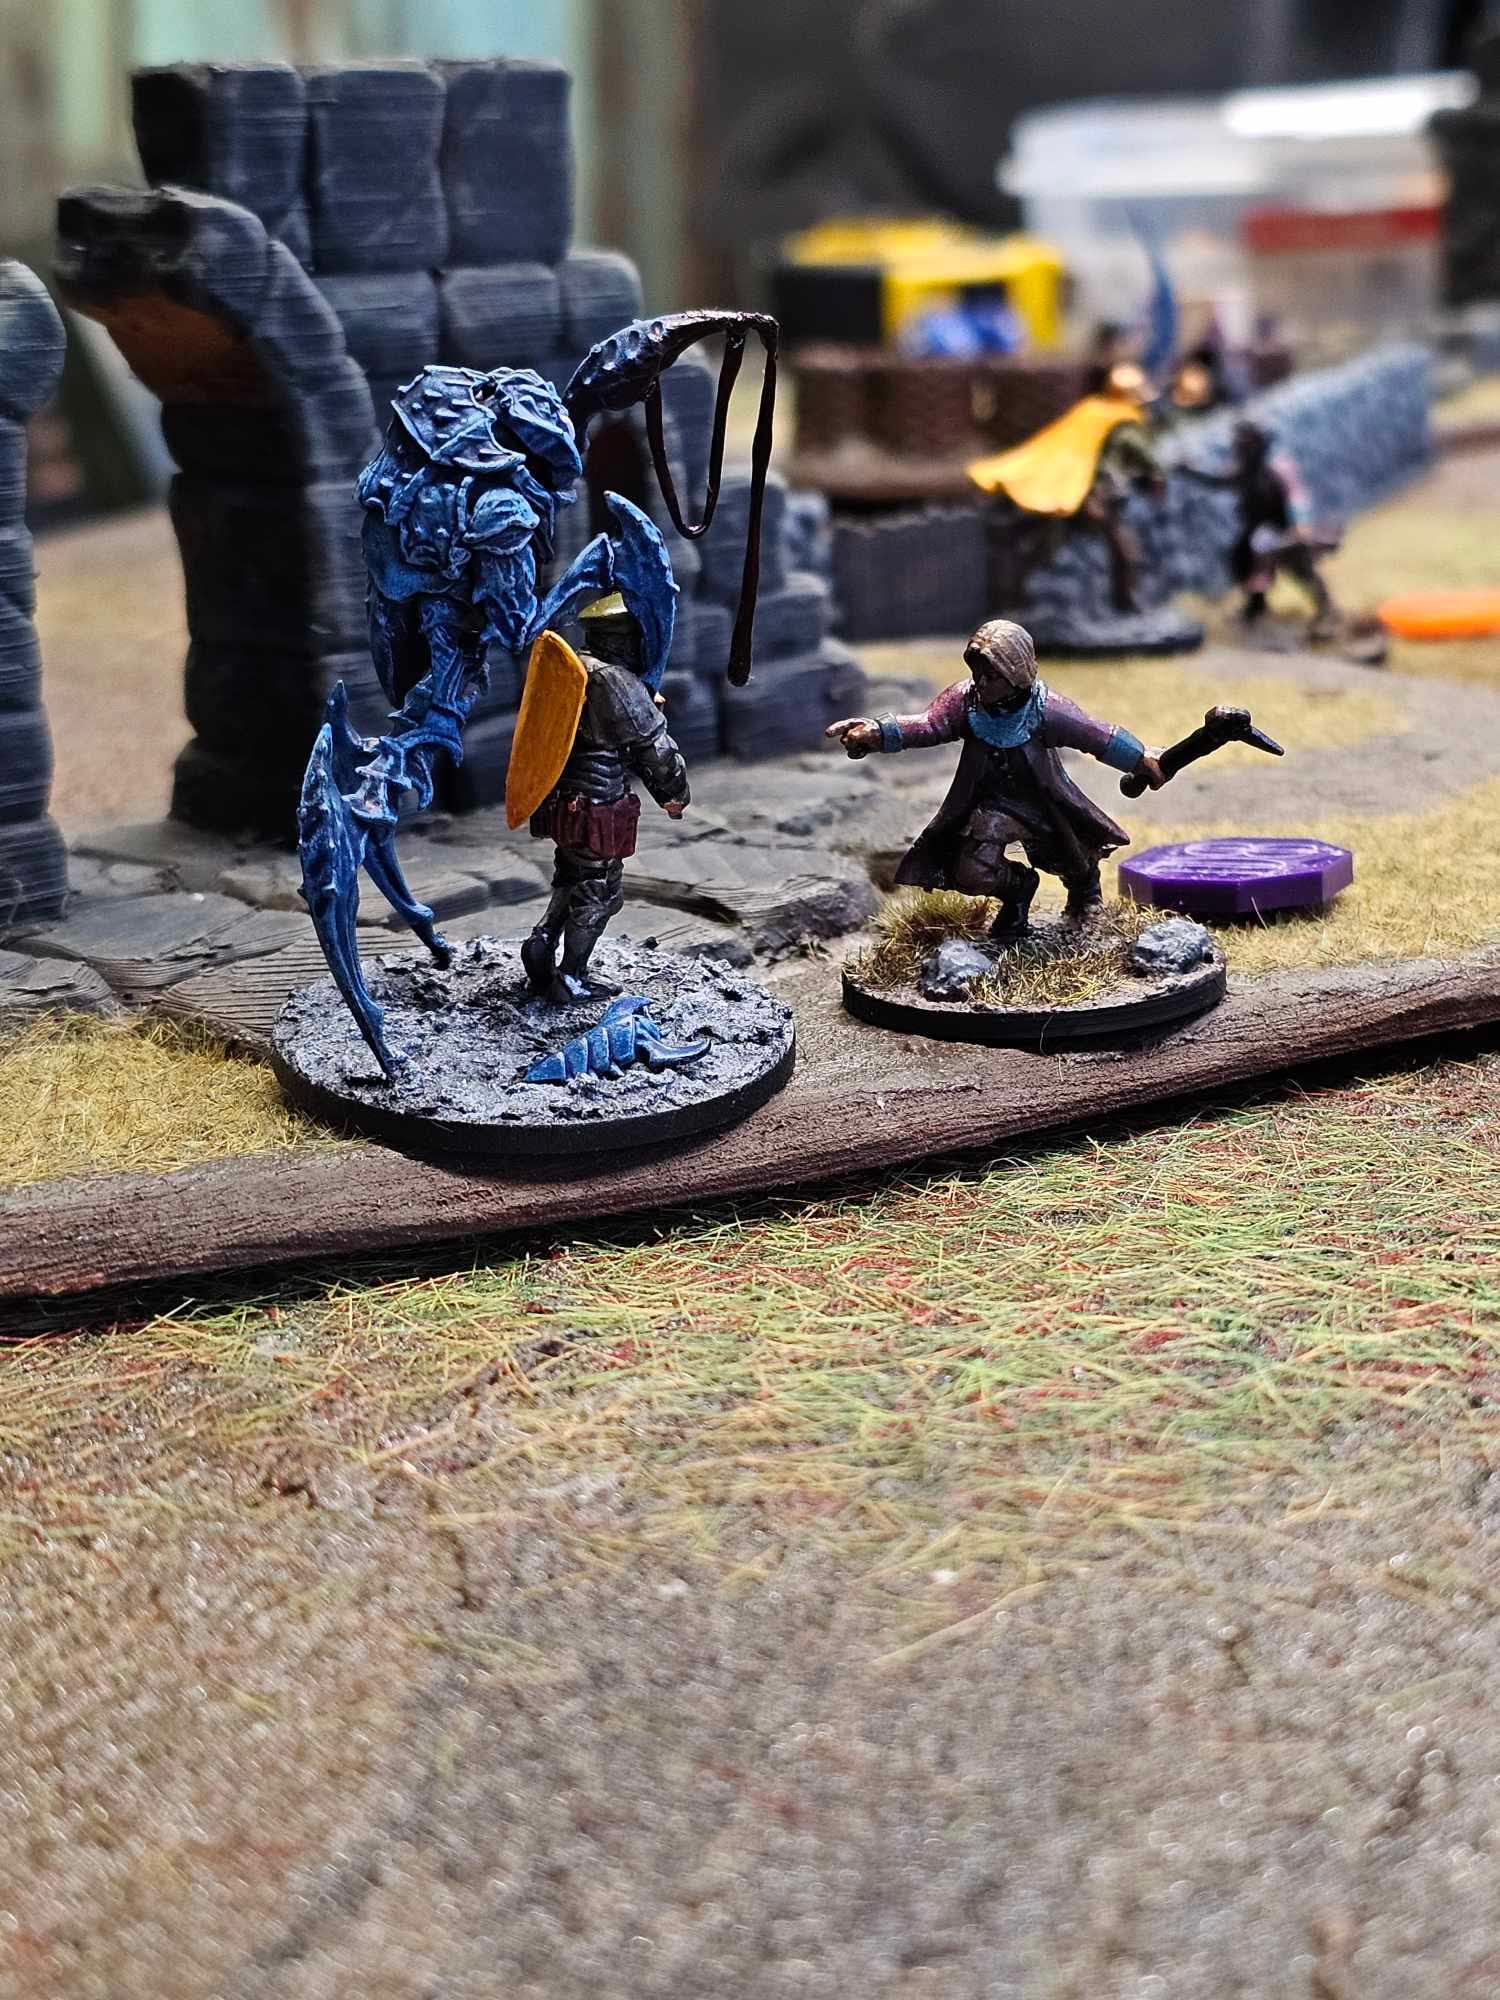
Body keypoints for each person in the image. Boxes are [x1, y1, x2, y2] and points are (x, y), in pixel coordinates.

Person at [825, 617, 1164, 935]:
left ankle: (1085, 900)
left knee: (1072, 858)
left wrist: (1139, 758)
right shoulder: (964, 701)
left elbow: (1097, 735)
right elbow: (928, 725)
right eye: (977, 673)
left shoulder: (1047, 709)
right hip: (989, 805)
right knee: (972, 872)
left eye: (992, 675)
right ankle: (1018, 892)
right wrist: (877, 731)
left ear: (1015, 673)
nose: (981, 682)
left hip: (1043, 802)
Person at [521, 594, 689, 1002]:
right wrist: (674, 794)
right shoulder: (613, 679)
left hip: (560, 798)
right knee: (599, 890)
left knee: (572, 876)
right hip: (597, 802)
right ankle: (572, 977)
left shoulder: (572, 664)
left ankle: (541, 944)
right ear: (627, 638)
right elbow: (654, 749)